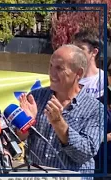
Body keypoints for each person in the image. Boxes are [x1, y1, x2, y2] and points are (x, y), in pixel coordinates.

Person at [18, 44, 104, 179]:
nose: (52, 73)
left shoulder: (95, 109)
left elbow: (85, 153)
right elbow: (18, 138)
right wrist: (26, 123)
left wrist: (59, 123)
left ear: (79, 73)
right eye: (50, 66)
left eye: (59, 68)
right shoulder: (36, 97)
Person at [72, 29, 104, 99]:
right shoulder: (71, 77)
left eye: (81, 49)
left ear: (94, 52)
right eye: (74, 48)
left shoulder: (102, 79)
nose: (76, 52)